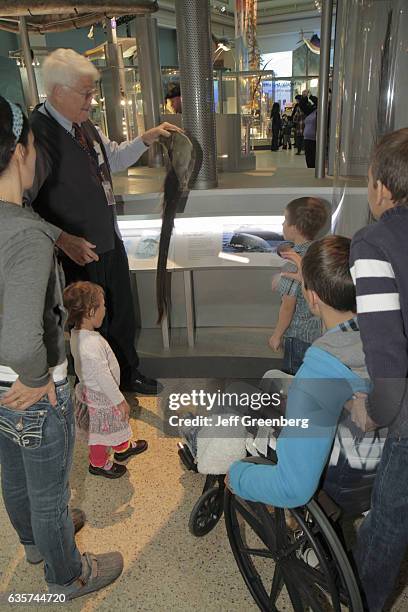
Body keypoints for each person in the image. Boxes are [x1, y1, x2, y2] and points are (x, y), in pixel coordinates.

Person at [0, 97, 123, 598]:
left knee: (13, 472)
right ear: (20, 152)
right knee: (50, 490)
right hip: (32, 388)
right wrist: (37, 380)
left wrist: (55, 234)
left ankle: (33, 543)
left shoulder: (23, 228)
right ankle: (67, 575)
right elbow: (19, 335)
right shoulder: (25, 235)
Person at [24, 48, 182, 395]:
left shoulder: (82, 124)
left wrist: (146, 138)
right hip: (75, 254)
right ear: (58, 92)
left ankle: (126, 374)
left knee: (120, 313)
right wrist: (61, 238)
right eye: (86, 93)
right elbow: (22, 205)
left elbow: (111, 157)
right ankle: (95, 389)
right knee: (87, 325)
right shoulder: (38, 135)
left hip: (108, 239)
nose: (92, 101)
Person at [228, 236, 377, 507]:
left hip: (337, 482)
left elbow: (293, 489)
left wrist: (238, 477)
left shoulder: (317, 375)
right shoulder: (386, 336)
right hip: (374, 470)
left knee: (236, 394)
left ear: (311, 296)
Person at [349, 128, 408, 612]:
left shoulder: (373, 244)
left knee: (390, 515)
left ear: (382, 189)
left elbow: (387, 356)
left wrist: (374, 411)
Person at [63, 281, 148, 479]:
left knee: (115, 425)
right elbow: (103, 376)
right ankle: (98, 463)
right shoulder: (91, 345)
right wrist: (119, 400)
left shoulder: (78, 333)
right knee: (99, 435)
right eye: (103, 305)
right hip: (101, 398)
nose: (105, 309)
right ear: (91, 312)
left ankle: (122, 446)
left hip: (92, 391)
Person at [269, 197, 328, 374]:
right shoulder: (320, 253)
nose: (282, 223)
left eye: (285, 220)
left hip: (298, 336)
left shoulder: (293, 262)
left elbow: (288, 305)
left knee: (294, 380)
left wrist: (277, 335)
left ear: (294, 228)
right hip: (320, 334)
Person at [302, 95, 317, 168]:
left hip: (314, 139)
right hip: (307, 138)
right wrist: (304, 97)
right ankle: (310, 169)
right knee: (308, 157)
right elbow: (302, 106)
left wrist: (310, 96)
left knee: (313, 157)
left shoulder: (319, 112)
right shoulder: (310, 112)